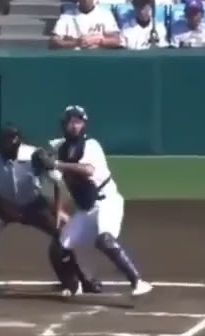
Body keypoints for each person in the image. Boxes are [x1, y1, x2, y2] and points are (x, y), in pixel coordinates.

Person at [0, 125, 101, 298]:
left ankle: (82, 279)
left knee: (64, 232)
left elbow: (58, 183)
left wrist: (59, 211)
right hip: (4, 207)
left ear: (15, 144)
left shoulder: (34, 156)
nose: (1, 150)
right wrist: (2, 206)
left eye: (4, 145)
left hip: (34, 205)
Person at [44, 106, 151, 299]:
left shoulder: (91, 145)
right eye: (71, 122)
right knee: (57, 248)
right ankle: (74, 285)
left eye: (79, 122)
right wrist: (59, 209)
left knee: (105, 241)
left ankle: (138, 282)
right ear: (64, 124)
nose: (75, 126)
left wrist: (57, 164)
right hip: (86, 209)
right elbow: (59, 182)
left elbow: (88, 170)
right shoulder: (61, 148)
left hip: (107, 202)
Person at [50, 0, 123, 50]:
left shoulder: (105, 15)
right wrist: (76, 43)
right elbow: (54, 42)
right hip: (75, 55)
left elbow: (117, 40)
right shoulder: (67, 16)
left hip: (98, 55)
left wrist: (98, 40)